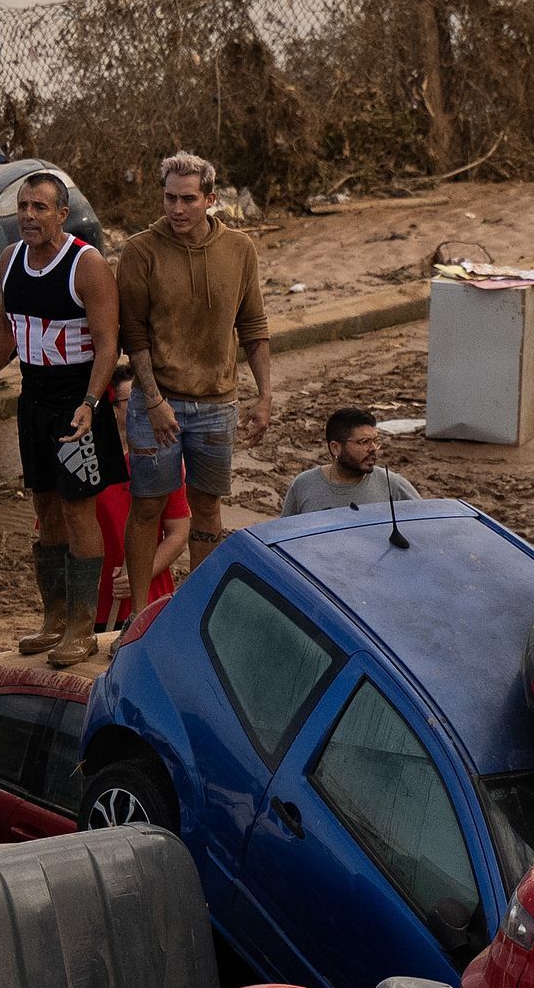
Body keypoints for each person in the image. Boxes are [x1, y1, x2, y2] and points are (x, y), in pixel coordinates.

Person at [0, 171, 118, 662]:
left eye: (40, 207)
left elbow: (108, 344)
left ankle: (83, 629)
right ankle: (54, 620)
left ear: (62, 214)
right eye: (23, 206)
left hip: (76, 404)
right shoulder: (10, 260)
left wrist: (90, 402)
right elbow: (6, 325)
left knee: (79, 509)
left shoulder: (87, 265)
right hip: (34, 401)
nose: (28, 216)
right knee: (44, 508)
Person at [107, 150, 271, 637]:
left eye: (188, 199)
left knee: (207, 507)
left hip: (219, 403)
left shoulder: (239, 249)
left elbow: (254, 326)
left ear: (211, 200)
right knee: (148, 505)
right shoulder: (140, 251)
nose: (177, 209)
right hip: (156, 402)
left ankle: (197, 612)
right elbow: (132, 334)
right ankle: (139, 616)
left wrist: (264, 396)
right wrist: (154, 400)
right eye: (169, 198)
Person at [279, 408, 425, 515]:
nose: (373, 448)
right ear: (335, 448)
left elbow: (426, 524)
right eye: (364, 442)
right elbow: (283, 537)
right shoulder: (304, 485)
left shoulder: (392, 485)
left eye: (375, 441)